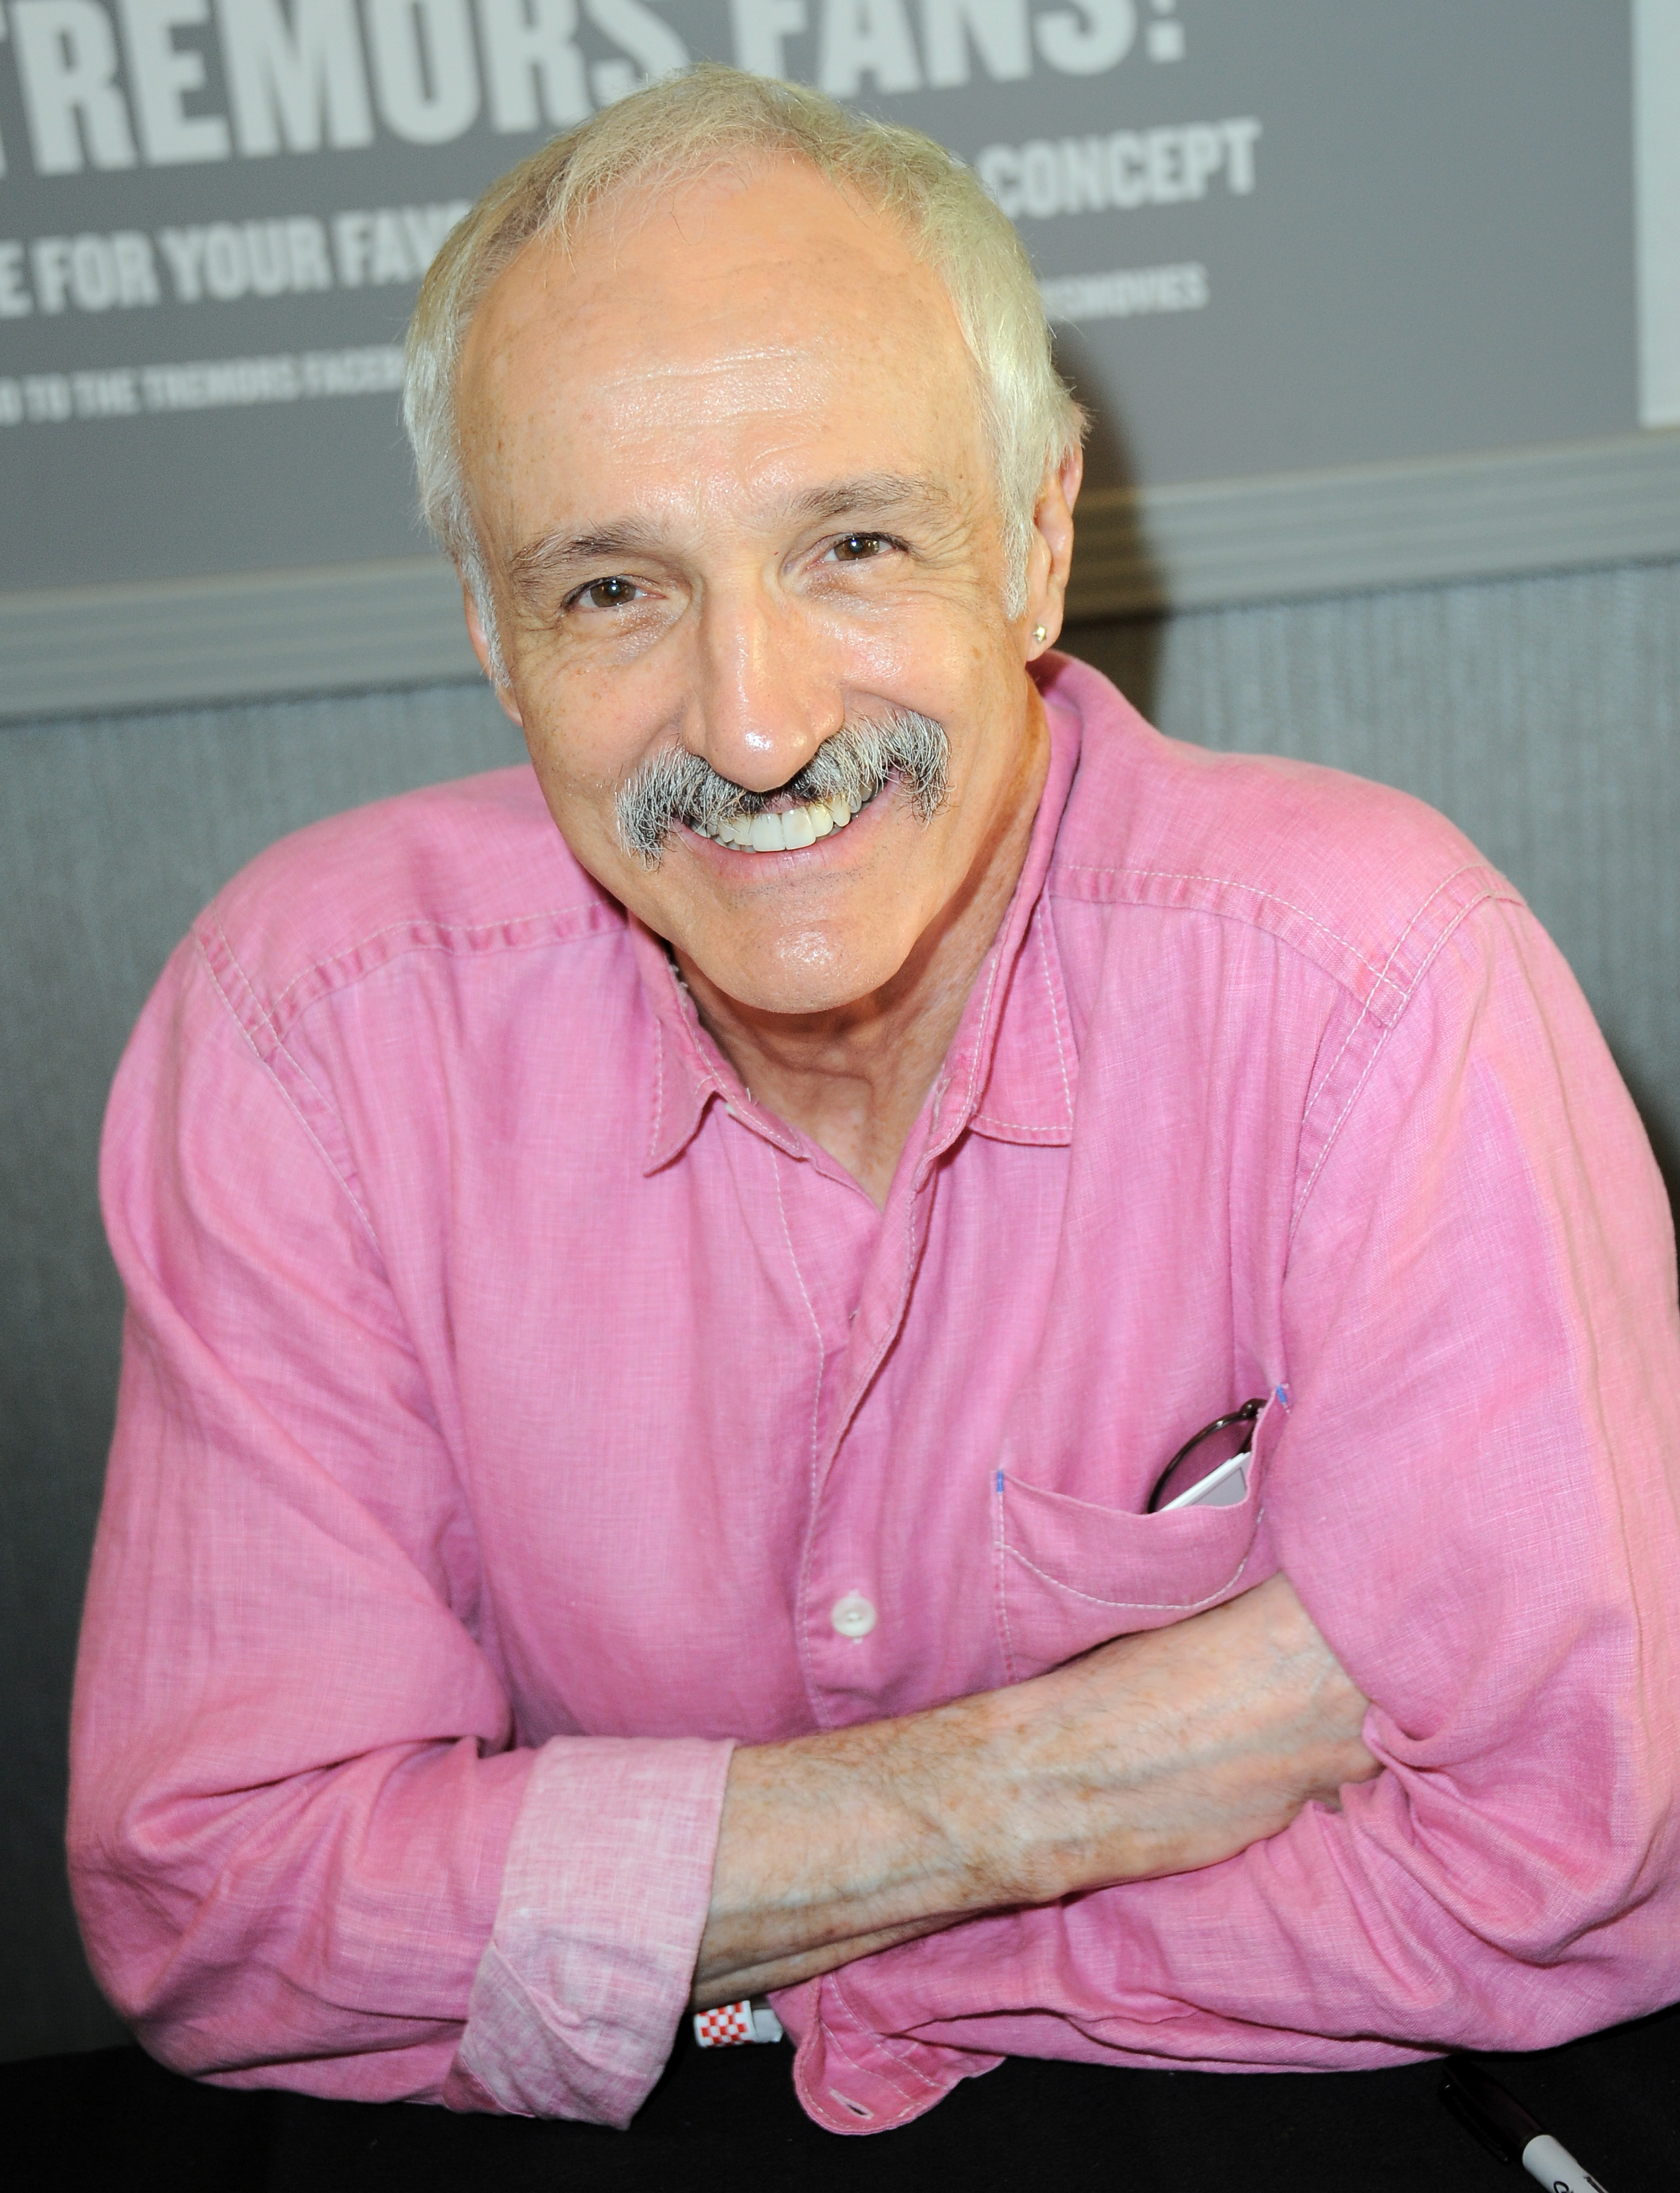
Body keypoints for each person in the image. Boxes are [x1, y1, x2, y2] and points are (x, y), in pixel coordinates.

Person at [70, 66, 1680, 2138]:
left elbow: (1576, 1864)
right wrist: (1047, 1783)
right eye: (611, 590)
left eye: (850, 542)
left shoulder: (1374, 985)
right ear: (488, 632)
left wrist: (758, 1961)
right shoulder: (309, 1035)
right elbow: (217, 1911)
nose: (751, 724)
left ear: (1031, 541)